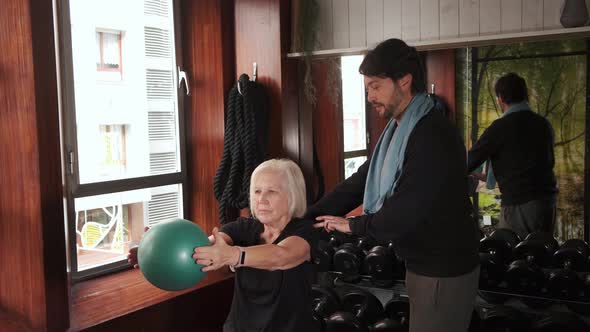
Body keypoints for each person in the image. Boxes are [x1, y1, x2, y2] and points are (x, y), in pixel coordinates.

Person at [306, 38, 480, 332]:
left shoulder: (431, 133)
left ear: (405, 81)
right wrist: (310, 216)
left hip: (443, 268)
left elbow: (408, 208)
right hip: (422, 263)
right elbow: (362, 180)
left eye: (376, 86)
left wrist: (354, 225)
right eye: (367, 88)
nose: (370, 96)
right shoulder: (399, 130)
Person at [128, 158, 319, 332]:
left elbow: (281, 256)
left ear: (292, 195)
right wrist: (155, 251)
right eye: (257, 191)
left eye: (272, 191)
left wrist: (232, 255)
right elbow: (205, 248)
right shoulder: (244, 227)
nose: (261, 199)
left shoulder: (305, 231)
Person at [467, 72, 558, 239]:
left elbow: (469, 161)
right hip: (548, 203)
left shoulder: (500, 127)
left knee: (515, 257)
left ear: (500, 98)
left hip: (520, 205)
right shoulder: (543, 124)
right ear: (525, 96)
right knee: (542, 254)